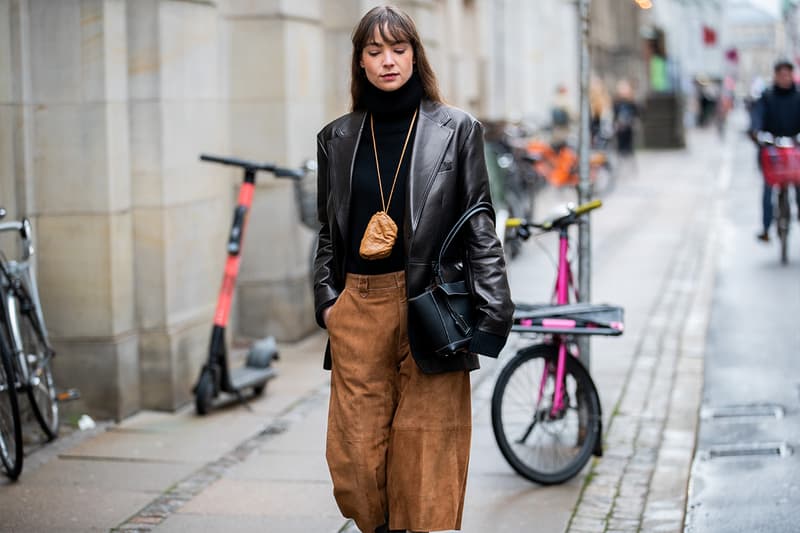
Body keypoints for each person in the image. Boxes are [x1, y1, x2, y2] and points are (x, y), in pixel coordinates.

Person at [313, 6, 514, 533]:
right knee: (355, 461)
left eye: (398, 50)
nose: (387, 61)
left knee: (426, 462)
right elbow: (328, 233)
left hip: (432, 305)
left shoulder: (455, 129)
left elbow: (479, 223)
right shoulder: (335, 138)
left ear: (415, 55)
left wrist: (494, 312)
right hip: (358, 307)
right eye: (374, 51)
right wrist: (328, 302)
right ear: (359, 61)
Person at [749, 59, 800, 242]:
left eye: (787, 74)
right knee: (768, 186)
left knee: (799, 182)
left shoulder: (798, 96)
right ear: (776, 76)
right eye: (781, 75)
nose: (784, 78)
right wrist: (756, 132)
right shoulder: (767, 97)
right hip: (772, 151)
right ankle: (766, 227)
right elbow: (757, 117)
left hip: (795, 150)